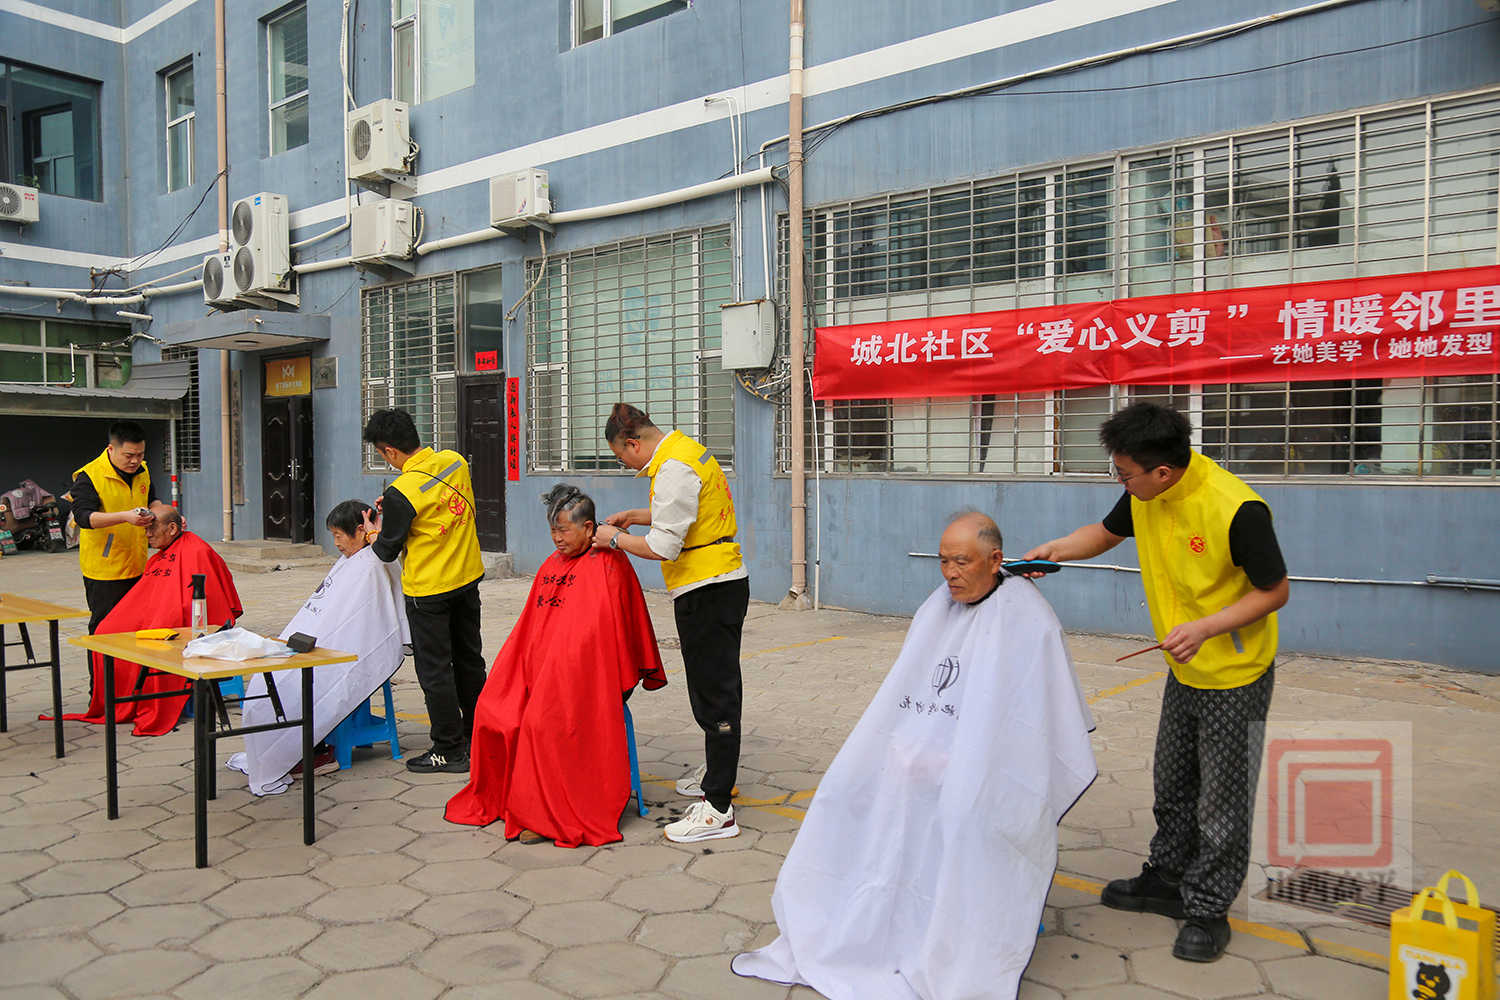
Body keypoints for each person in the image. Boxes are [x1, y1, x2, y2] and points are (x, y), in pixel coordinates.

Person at [733, 512, 1097, 999]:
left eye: (962, 562)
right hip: (927, 750)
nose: (950, 573)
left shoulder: (1026, 616)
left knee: (960, 807)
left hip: (993, 765)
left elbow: (1029, 719)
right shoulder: (937, 607)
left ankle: (957, 927)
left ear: (995, 560)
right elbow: (909, 691)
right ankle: (875, 917)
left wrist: (962, 760)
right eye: (943, 561)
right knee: (844, 793)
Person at [1022, 402, 1290, 963]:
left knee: (1221, 800)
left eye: (1124, 474)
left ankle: (1208, 909)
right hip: (1183, 667)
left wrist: (1206, 628)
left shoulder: (1236, 509)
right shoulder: (1146, 492)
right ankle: (1168, 879)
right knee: (1173, 783)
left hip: (1234, 675)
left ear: (1162, 472)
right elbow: (1104, 533)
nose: (1121, 483)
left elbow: (1275, 591)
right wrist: (1055, 550)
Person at [445, 484, 667, 846]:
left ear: (589, 528)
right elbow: (530, 630)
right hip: (544, 669)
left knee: (541, 721)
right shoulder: (553, 564)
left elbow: (601, 638)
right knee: (493, 708)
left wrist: (560, 669)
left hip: (589, 676)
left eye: (563, 530)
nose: (557, 539)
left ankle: (546, 814)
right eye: (552, 531)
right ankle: (512, 798)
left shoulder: (610, 563)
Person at [592, 403, 749, 844]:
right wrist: (635, 515)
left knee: (715, 695)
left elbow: (664, 546)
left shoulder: (673, 468)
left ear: (633, 443)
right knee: (714, 689)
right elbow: (685, 512)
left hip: (707, 588)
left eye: (621, 457)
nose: (627, 465)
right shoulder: (685, 450)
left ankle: (718, 808)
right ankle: (718, 772)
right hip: (718, 581)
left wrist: (615, 539)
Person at [227, 500, 409, 795]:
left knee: (296, 685)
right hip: (316, 641)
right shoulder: (352, 561)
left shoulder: (375, 563)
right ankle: (284, 750)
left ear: (361, 530)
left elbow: (364, 621)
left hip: (346, 649)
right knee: (267, 681)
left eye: (338, 535)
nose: (335, 543)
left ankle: (315, 751)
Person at [361, 408, 486, 774]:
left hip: (429, 593)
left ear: (389, 450)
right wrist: (395, 506)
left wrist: (373, 532)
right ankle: (479, 736)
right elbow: (435, 504)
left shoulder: (401, 492)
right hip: (467, 580)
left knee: (435, 672)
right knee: (469, 661)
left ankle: (448, 749)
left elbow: (386, 550)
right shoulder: (455, 462)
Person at [56, 507, 242, 736]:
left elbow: (202, 602)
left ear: (172, 528)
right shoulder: (160, 555)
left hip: (183, 621)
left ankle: (150, 700)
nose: (147, 535)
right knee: (105, 632)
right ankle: (120, 701)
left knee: (155, 639)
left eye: (152, 529)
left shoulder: (197, 551)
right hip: (154, 613)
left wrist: (159, 619)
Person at [69, 421, 172, 638]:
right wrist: (125, 517)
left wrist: (167, 516)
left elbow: (152, 500)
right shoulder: (90, 476)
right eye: (129, 455)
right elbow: (84, 517)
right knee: (105, 630)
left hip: (138, 564)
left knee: (136, 626)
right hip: (105, 570)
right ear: (111, 449)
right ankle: (99, 663)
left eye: (140, 454)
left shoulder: (143, 470)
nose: (135, 461)